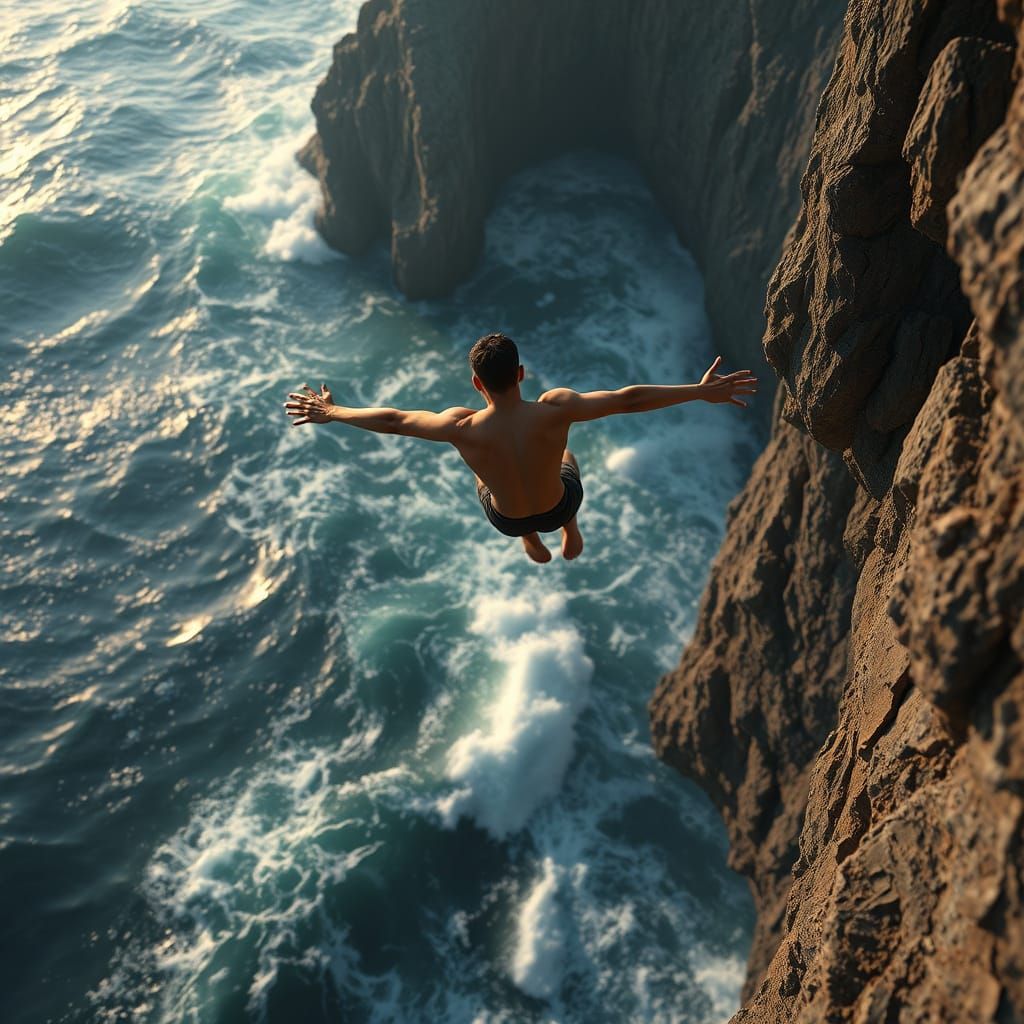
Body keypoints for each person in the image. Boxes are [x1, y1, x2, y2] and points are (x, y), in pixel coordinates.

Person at [283, 333, 757, 563]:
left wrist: (332, 411)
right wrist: (699, 391)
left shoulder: (461, 427)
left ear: (477, 383)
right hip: (561, 503)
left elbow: (394, 420)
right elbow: (627, 399)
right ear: (521, 374)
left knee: (481, 475)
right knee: (566, 458)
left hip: (507, 520)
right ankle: (569, 529)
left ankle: (531, 541)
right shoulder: (556, 409)